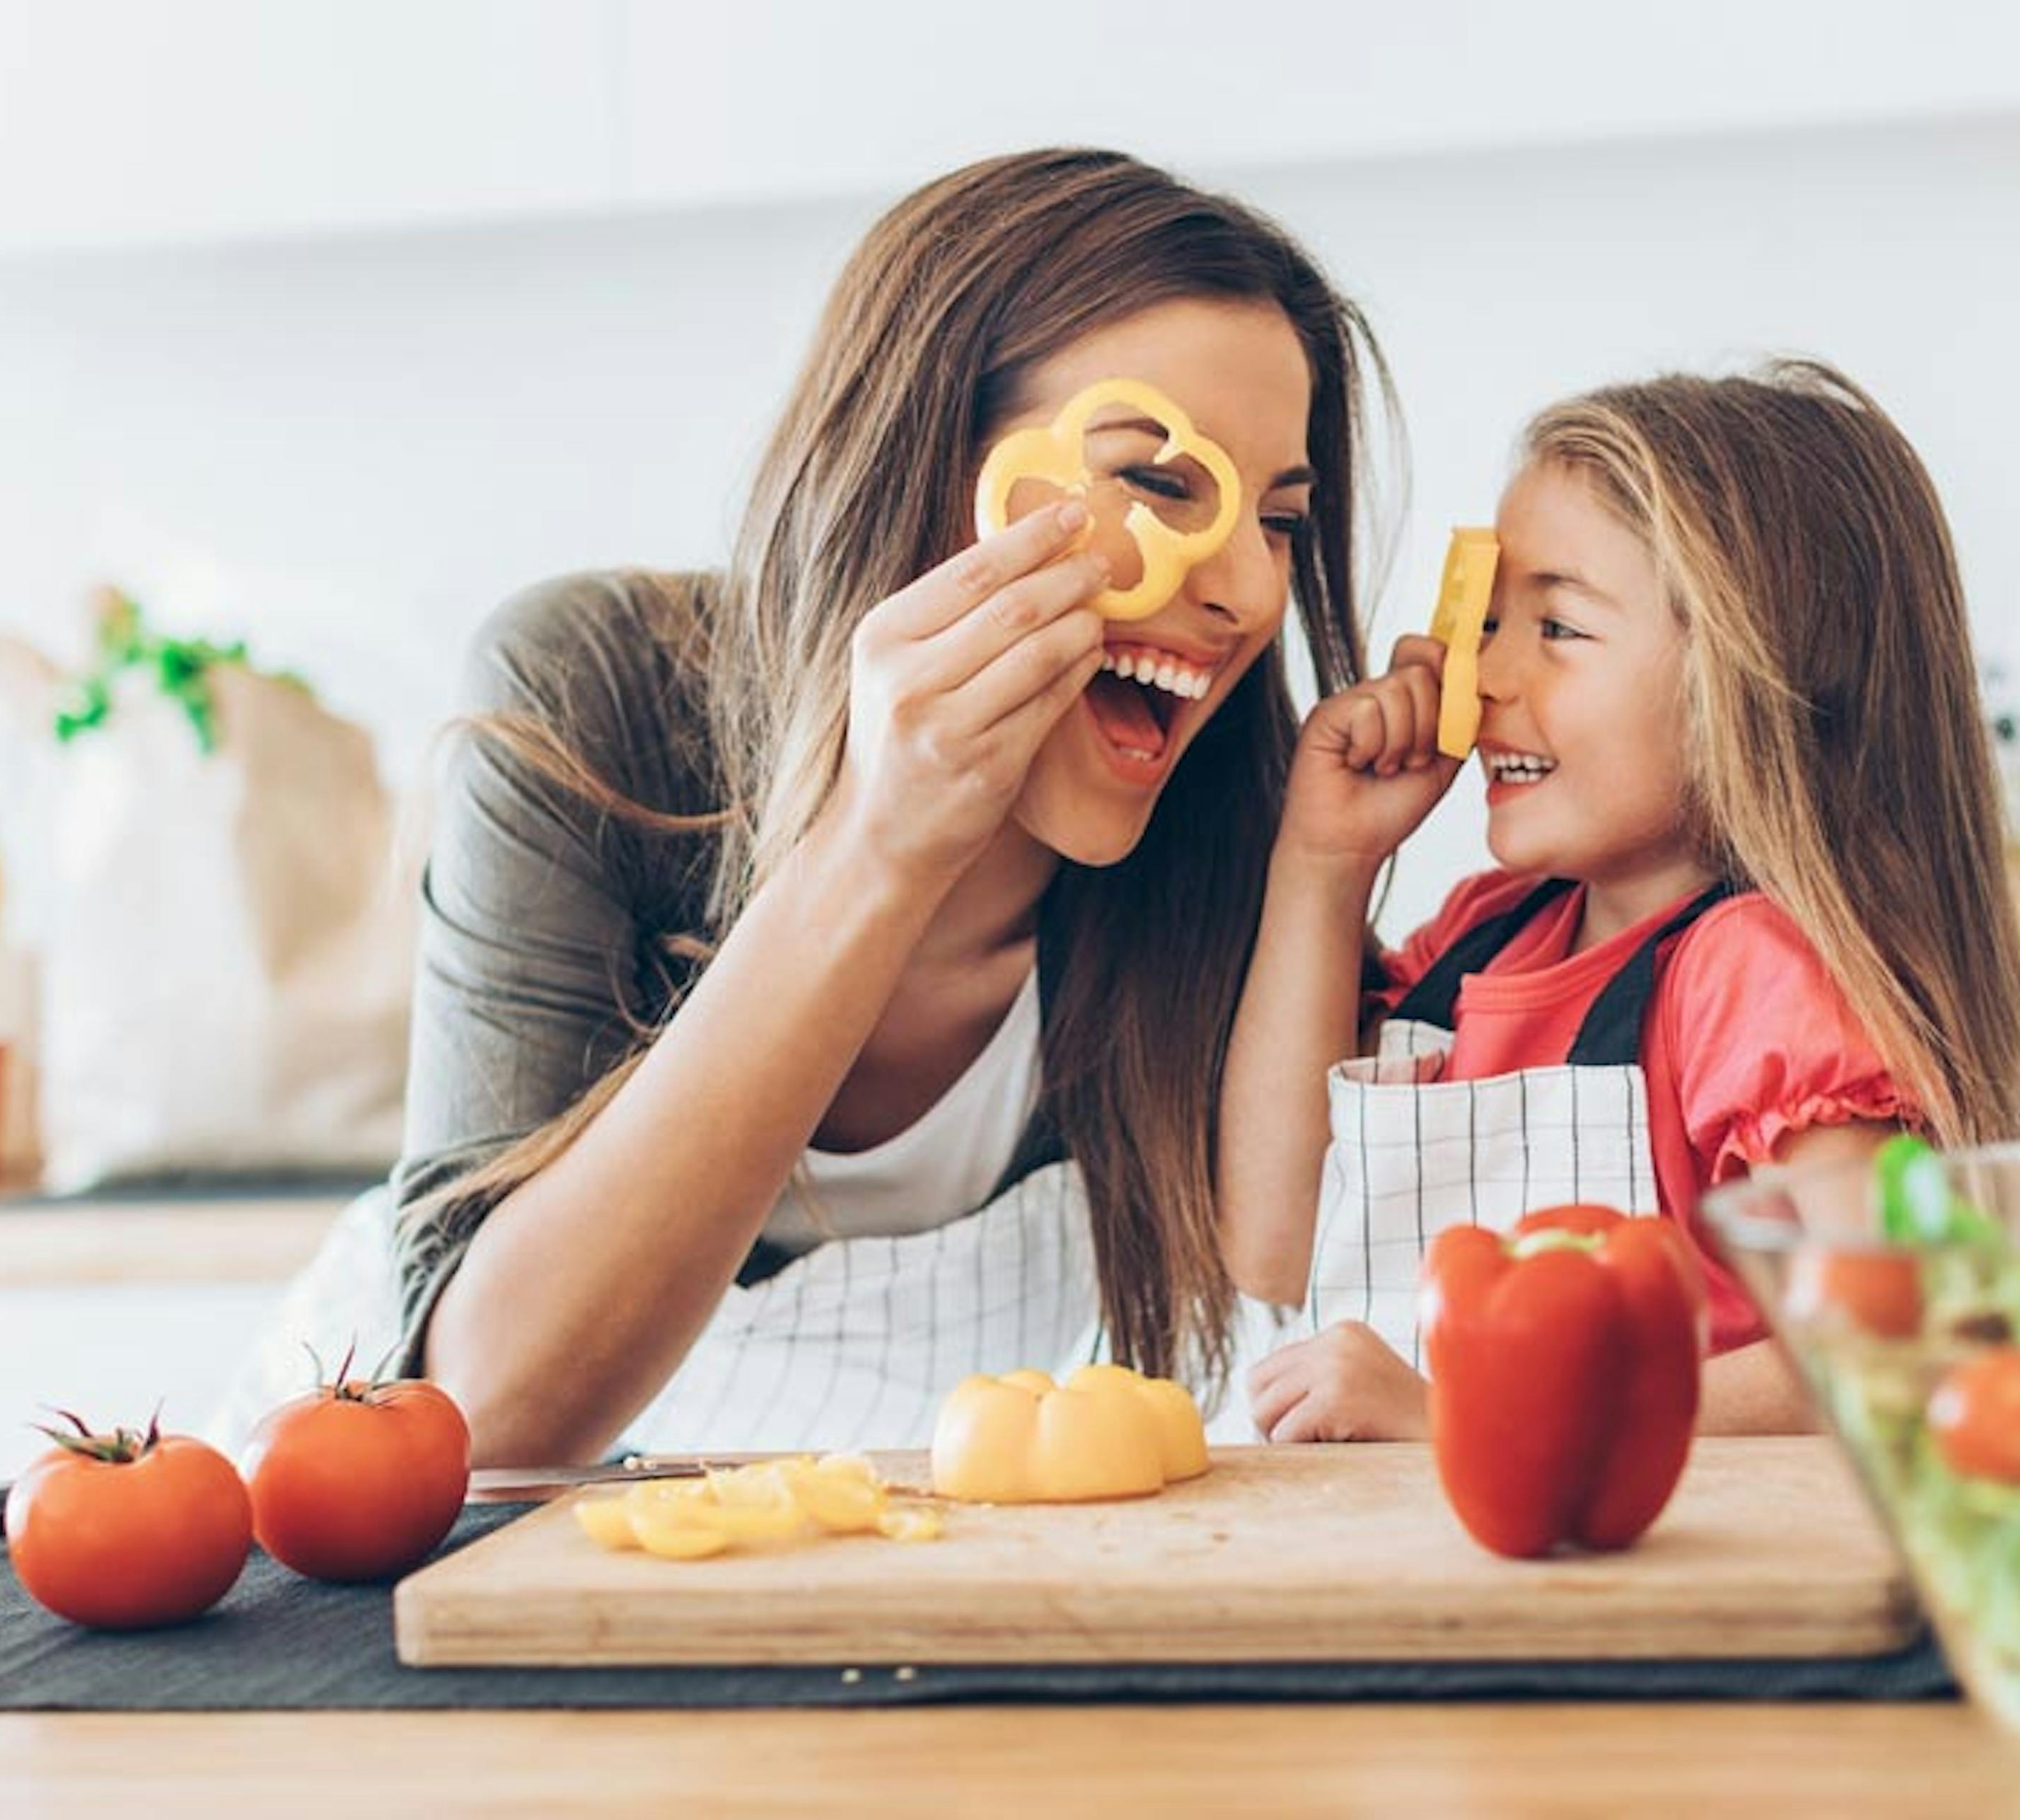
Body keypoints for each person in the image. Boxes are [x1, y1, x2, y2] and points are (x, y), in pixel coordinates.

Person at [391, 149, 1388, 1467]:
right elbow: (489, 1422)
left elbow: (1287, 1283)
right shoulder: (593, 692)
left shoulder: (1238, 836)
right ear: (922, 464)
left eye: (1280, 519)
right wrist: (879, 844)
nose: (1251, 596)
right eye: (1157, 485)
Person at [1217, 358, 2020, 1442]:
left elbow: (1895, 1343)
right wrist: (1322, 864)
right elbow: (1276, 1246)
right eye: (1490, 624)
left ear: (1745, 683)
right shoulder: (1482, 940)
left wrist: (1476, 1415)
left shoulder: (1754, 975)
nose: (1485, 680)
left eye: (1556, 628)